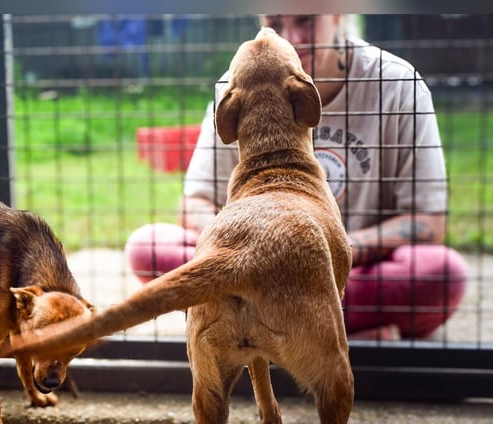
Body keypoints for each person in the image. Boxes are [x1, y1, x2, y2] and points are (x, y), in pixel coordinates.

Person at [125, 14, 468, 340]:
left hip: (345, 273)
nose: (294, 37)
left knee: (441, 272)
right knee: (148, 247)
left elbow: (427, 223)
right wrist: (255, 250)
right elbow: (194, 204)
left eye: (306, 19)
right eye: (275, 23)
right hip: (256, 268)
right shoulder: (238, 84)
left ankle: (258, 331)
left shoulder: (397, 83)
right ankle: (332, 334)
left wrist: (326, 251)